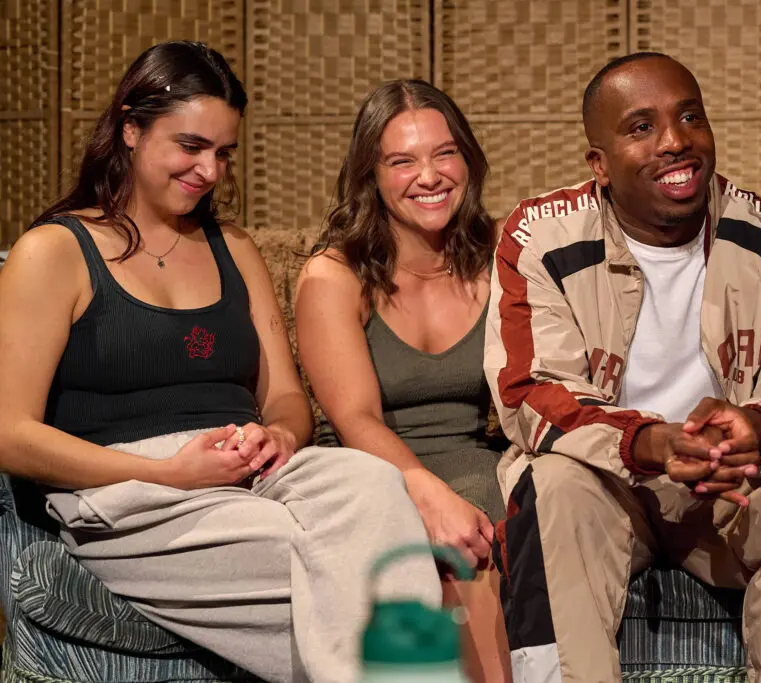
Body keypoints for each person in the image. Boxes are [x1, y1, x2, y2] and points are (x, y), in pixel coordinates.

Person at [0, 42, 440, 683]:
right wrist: (176, 473)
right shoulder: (54, 252)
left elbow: (286, 397)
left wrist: (280, 434)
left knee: (374, 487)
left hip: (248, 467)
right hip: (129, 492)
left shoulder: (233, 247)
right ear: (130, 127)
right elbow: (10, 433)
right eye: (190, 146)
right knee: (324, 561)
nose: (210, 170)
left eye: (224, 153)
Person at [484, 52, 761, 683]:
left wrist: (757, 425)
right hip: (611, 488)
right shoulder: (540, 238)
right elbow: (531, 394)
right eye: (641, 127)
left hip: (730, 490)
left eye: (690, 116)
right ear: (598, 164)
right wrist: (650, 442)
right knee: (553, 484)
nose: (675, 141)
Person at [294, 80, 511, 683]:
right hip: (372, 468)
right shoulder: (334, 275)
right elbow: (354, 418)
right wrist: (426, 493)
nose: (430, 175)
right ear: (372, 175)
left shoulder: (500, 255)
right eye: (402, 161)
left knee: (506, 512)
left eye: (444, 153)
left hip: (479, 461)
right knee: (450, 539)